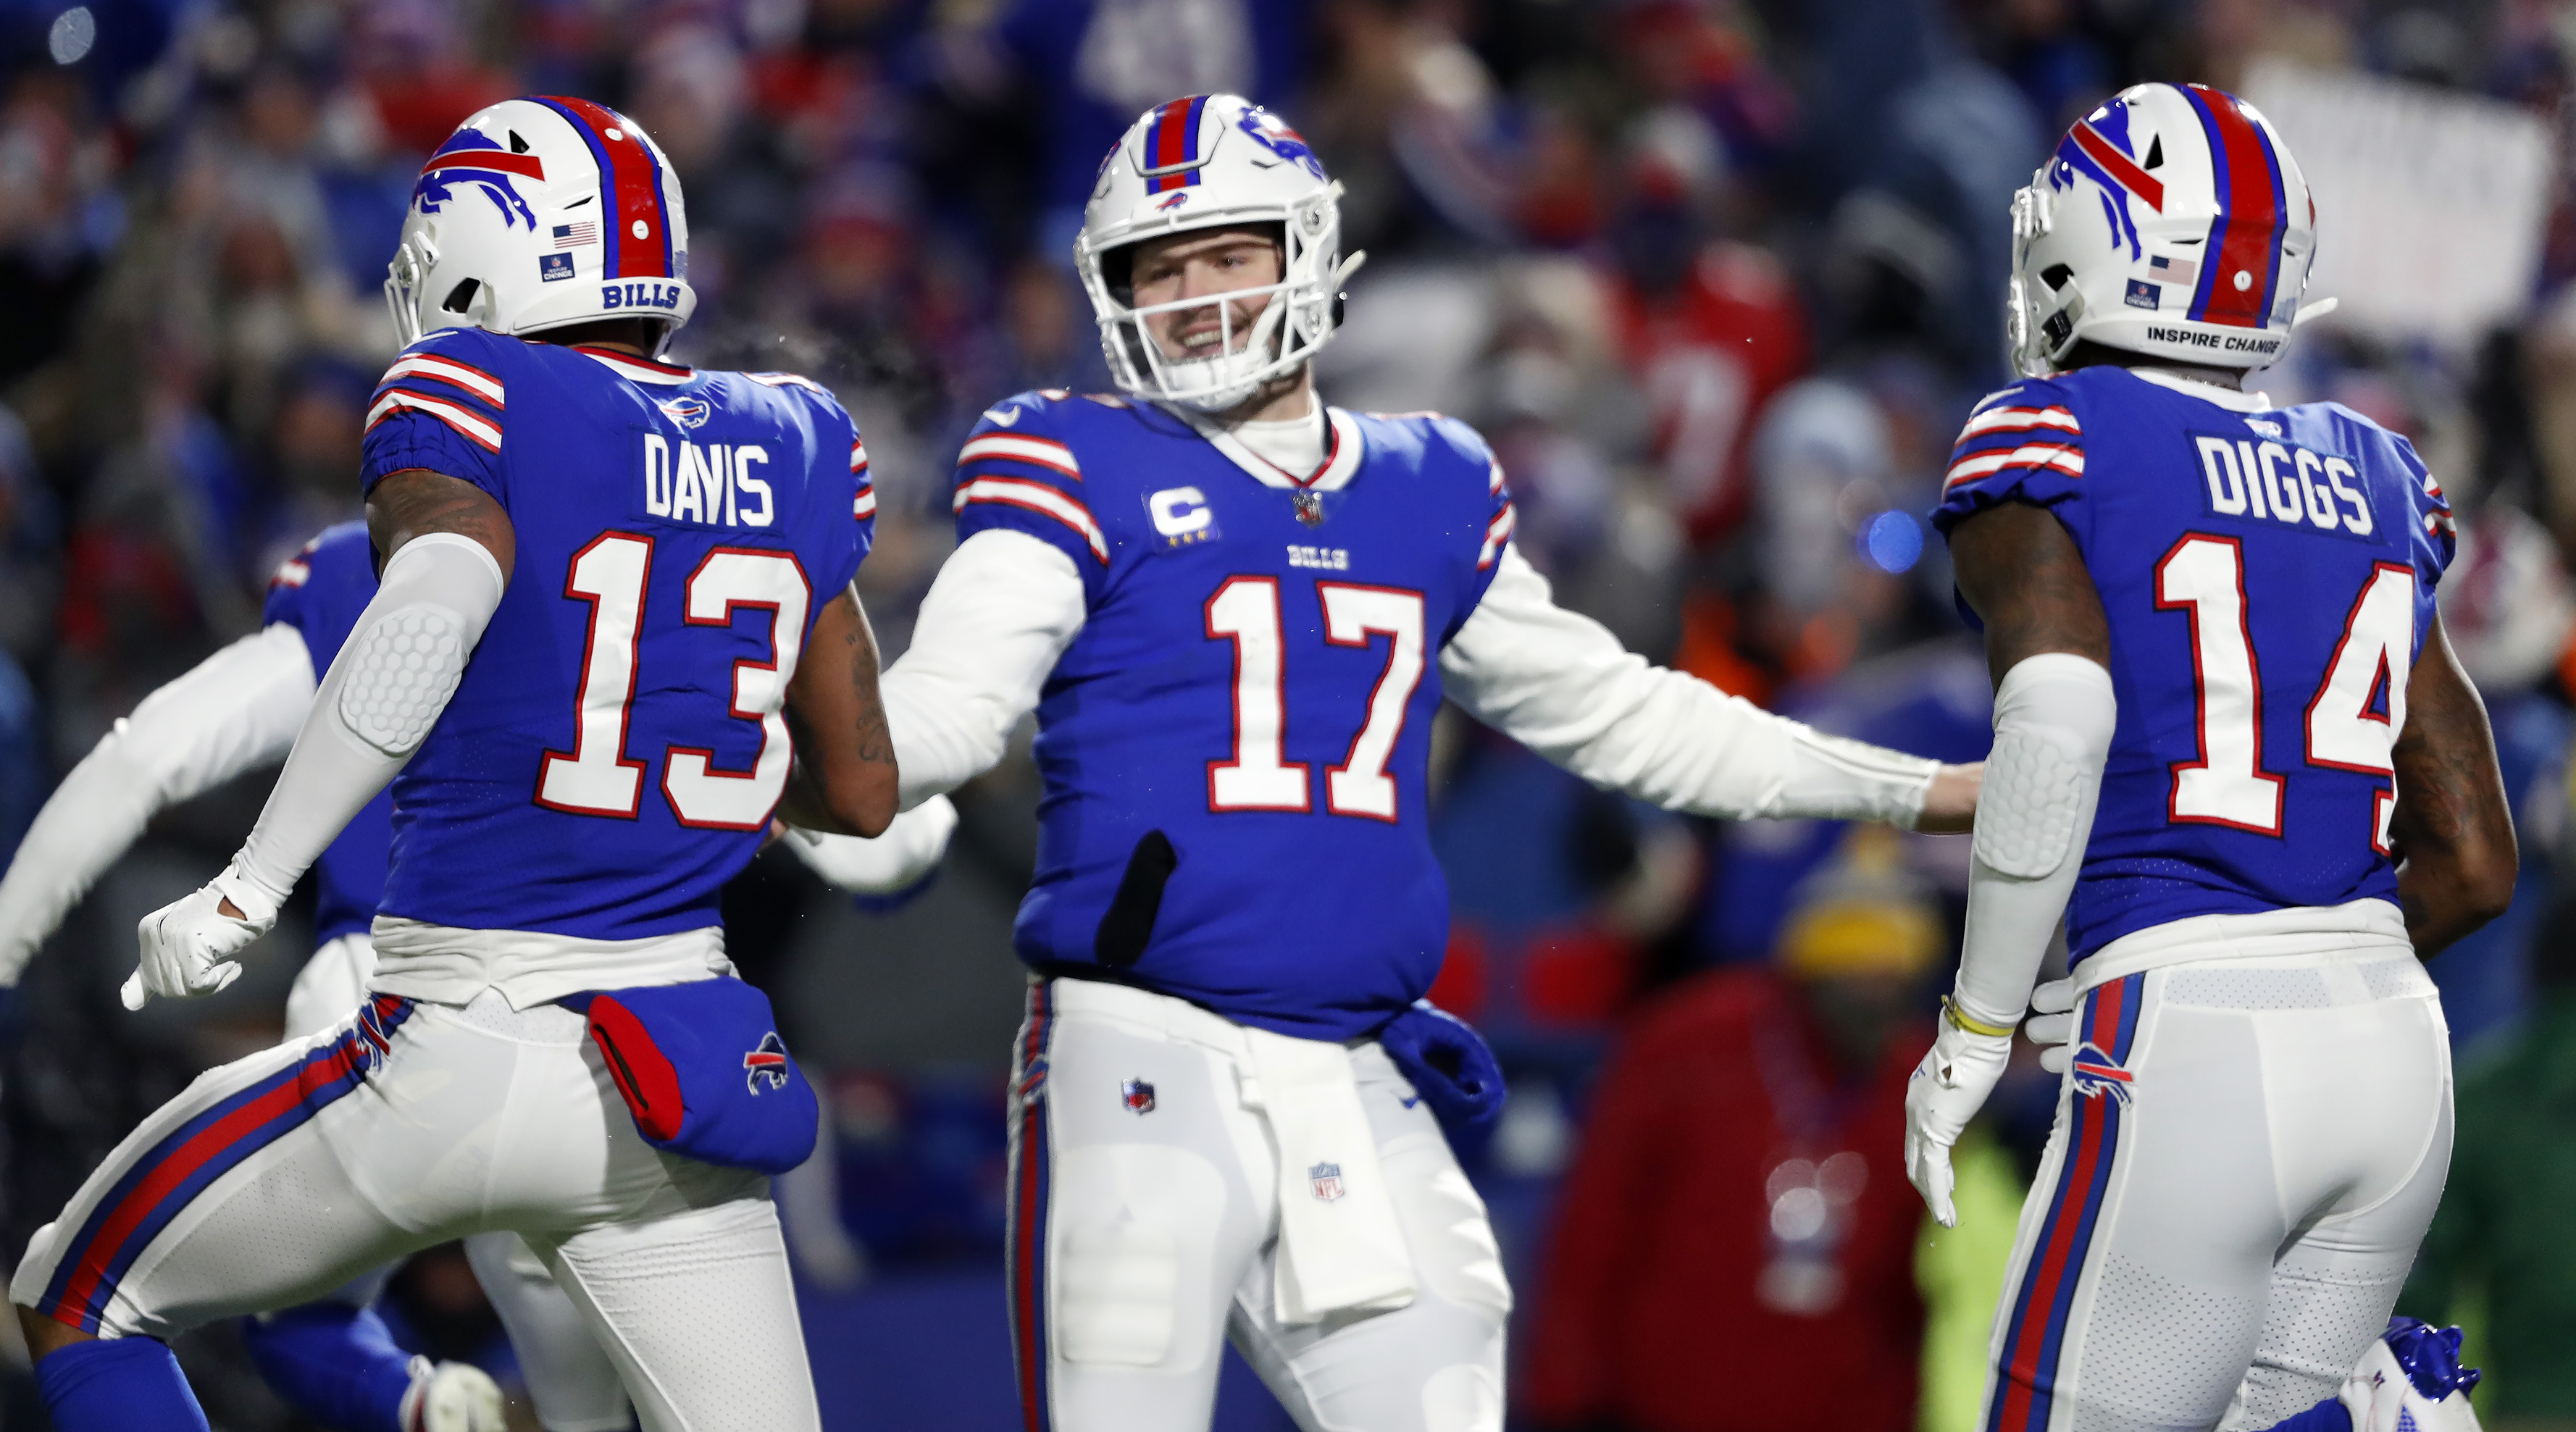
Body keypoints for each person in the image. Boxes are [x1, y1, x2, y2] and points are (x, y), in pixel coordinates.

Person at [875, 91, 1980, 1432]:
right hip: (1139, 1055)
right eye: (1160, 268)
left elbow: (1622, 712)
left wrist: (1912, 786)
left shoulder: (1425, 481)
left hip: (1353, 1065)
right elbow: (950, 705)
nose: (1198, 294)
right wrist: (827, 763)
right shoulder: (1070, 455)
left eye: (1228, 253)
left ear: (1307, 250)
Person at [7, 95, 895, 1432]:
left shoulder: (473, 389)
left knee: (75, 1295)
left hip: (449, 1040)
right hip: (675, 1077)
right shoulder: (798, 436)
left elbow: (431, 605)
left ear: (484, 251)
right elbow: (864, 788)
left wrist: (248, 885)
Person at [0, 519, 955, 1432]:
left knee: (112, 1301)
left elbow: (146, 757)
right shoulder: (690, 542)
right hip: (631, 1046)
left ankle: (443, 1409)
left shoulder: (367, 562)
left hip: (401, 1010)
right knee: (594, 1403)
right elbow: (886, 829)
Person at [1904, 82, 2514, 1432]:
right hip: (2393, 1047)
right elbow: (2473, 861)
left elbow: (2055, 726)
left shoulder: (2054, 430)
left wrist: (1977, 1028)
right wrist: (2310, 970)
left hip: (2184, 1036)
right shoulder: (2378, 467)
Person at [1523, 825, 1943, 1432]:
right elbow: (1595, 1227)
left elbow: (1926, 1291)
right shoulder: (1691, 1042)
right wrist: (1563, 1395)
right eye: (1854, 976)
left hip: (1845, 1408)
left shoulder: (1924, 1081)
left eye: (1891, 981)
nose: (1873, 999)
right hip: (1662, 1406)